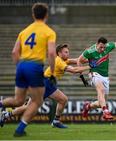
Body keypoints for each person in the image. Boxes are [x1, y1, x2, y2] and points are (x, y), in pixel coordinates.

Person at [0, 44, 91, 128]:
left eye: (68, 52)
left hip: (46, 83)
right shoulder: (59, 61)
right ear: (59, 53)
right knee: (62, 100)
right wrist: (90, 67)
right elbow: (74, 70)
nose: (68, 53)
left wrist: (89, 57)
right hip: (46, 83)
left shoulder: (63, 60)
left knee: (31, 106)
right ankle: (55, 121)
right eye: (66, 52)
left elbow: (77, 60)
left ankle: (7, 114)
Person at [0, 3, 56, 136]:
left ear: (33, 15)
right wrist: (52, 72)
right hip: (35, 66)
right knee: (37, 101)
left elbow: (14, 52)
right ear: (46, 15)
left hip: (21, 65)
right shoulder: (49, 32)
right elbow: (52, 54)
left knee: (18, 100)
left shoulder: (24, 31)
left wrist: (20, 67)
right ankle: (19, 130)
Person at [77, 37, 116, 120]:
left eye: (104, 47)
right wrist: (81, 76)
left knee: (101, 102)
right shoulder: (90, 51)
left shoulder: (108, 46)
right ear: (97, 44)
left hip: (105, 76)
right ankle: (106, 111)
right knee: (100, 90)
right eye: (101, 47)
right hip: (94, 74)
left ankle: (88, 106)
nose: (103, 49)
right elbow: (79, 60)